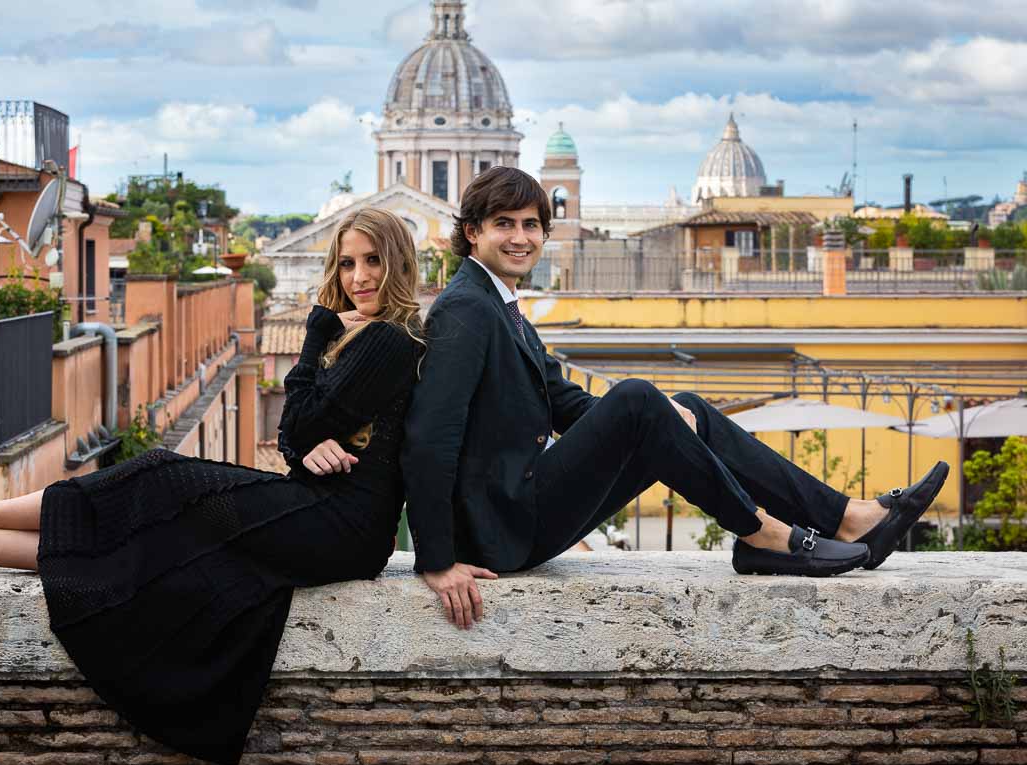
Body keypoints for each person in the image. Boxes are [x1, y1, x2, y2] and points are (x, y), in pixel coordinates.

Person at [0, 207, 425, 765]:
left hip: (340, 525)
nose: (360, 277)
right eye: (349, 263)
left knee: (161, 474)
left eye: (374, 261)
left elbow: (298, 421)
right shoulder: (362, 335)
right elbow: (294, 435)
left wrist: (313, 343)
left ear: (399, 262)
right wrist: (305, 445)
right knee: (158, 537)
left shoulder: (388, 340)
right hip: (322, 509)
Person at [401, 167, 949, 630]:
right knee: (643, 397)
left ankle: (848, 519)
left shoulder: (497, 302)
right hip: (500, 528)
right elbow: (430, 437)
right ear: (472, 232)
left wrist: (659, 421)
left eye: (531, 226)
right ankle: (762, 533)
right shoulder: (467, 308)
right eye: (504, 225)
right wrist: (438, 560)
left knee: (681, 405)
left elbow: (565, 401)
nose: (521, 237)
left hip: (516, 511)